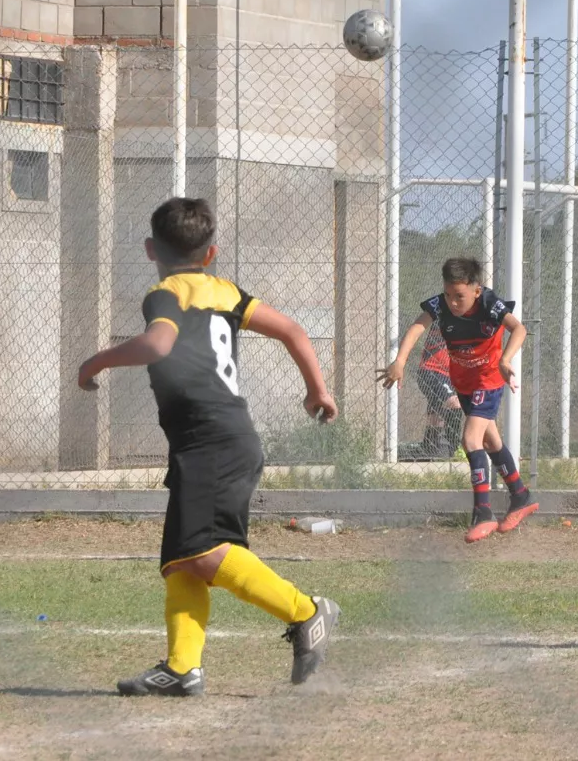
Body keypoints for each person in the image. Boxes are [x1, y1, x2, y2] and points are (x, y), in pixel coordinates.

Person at [78, 197, 341, 697]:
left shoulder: (165, 293)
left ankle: (307, 611)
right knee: (181, 558)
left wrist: (95, 362)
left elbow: (158, 344)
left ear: (151, 249)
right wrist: (317, 389)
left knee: (204, 551)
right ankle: (182, 668)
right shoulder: (225, 292)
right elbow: (292, 330)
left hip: (213, 439)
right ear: (212, 251)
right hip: (214, 438)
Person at [379, 257, 537, 543]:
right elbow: (417, 326)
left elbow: (520, 328)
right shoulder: (441, 304)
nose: (452, 302)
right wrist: (400, 360)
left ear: (476, 290)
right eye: (449, 295)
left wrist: (505, 358)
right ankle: (520, 496)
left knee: (471, 441)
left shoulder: (489, 303)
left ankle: (483, 512)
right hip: (463, 382)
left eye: (459, 296)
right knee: (491, 442)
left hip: (487, 380)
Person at [412, 325, 464, 460]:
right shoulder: (445, 316)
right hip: (431, 371)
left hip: (448, 374)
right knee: (454, 403)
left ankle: (430, 446)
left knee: (436, 411)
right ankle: (453, 447)